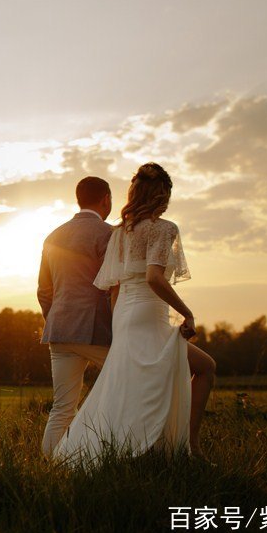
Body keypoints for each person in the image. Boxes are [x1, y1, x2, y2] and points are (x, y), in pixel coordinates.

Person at [51, 162, 217, 469]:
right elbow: (155, 277)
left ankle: (146, 449)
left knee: (133, 382)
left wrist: (119, 324)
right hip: (147, 313)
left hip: (125, 315)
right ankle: (189, 447)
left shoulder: (121, 233)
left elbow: (113, 288)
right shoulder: (164, 228)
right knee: (205, 367)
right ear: (161, 194)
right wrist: (187, 312)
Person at [37, 176, 115, 459]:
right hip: (96, 330)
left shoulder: (52, 236)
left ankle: (49, 466)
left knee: (62, 408)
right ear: (106, 198)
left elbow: (43, 290)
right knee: (126, 385)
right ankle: (110, 455)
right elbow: (112, 286)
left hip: (58, 331)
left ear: (78, 198)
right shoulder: (108, 233)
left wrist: (57, 318)